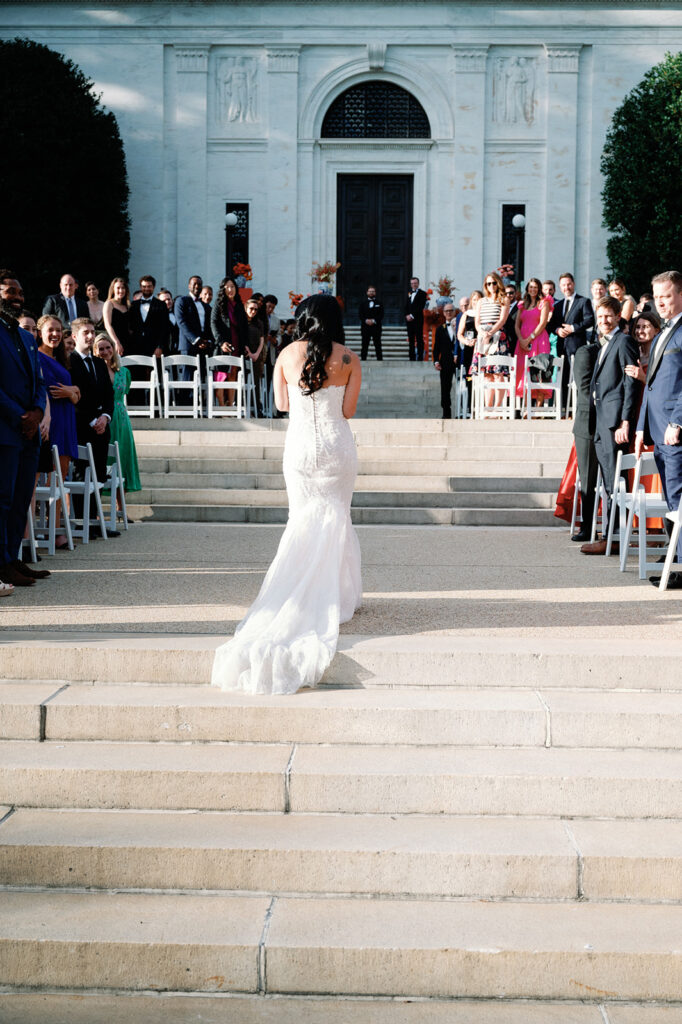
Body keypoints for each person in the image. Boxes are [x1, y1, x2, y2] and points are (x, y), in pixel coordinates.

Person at [211, 294, 362, 694]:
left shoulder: (285, 355)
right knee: (337, 517)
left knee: (302, 518)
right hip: (337, 448)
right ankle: (339, 596)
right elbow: (347, 412)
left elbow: (280, 404)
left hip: (299, 449)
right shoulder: (348, 359)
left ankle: (294, 592)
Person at [0, 270, 48, 591]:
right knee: (2, 499)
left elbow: (40, 382)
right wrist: (20, 415)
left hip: (28, 434)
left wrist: (37, 411)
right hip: (5, 429)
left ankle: (13, 557)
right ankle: (1, 564)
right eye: (10, 292)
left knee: (21, 499)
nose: (18, 297)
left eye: (20, 293)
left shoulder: (28, 338)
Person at [580, 296, 639, 555]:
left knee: (616, 482)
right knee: (608, 482)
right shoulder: (602, 344)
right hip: (601, 422)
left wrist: (625, 421)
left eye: (608, 316)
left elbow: (630, 384)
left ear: (617, 317)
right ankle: (611, 535)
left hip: (615, 424)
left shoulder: (623, 341)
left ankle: (613, 538)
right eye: (600, 315)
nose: (603, 320)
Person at [635, 270, 682, 588]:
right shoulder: (665, 331)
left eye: (667, 296)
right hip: (656, 430)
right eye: (657, 297)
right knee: (672, 499)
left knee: (678, 499)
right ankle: (676, 562)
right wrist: (640, 428)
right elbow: (650, 386)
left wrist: (678, 421)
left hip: (674, 430)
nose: (661, 303)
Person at [68, 318, 117, 536]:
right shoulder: (69, 362)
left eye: (91, 332)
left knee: (98, 475)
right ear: (74, 336)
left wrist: (105, 417)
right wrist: (91, 420)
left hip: (101, 428)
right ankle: (81, 522)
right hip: (81, 426)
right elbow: (75, 398)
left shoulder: (98, 363)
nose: (90, 336)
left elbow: (109, 395)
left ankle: (95, 522)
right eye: (85, 333)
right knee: (81, 474)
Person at [37, 314, 80, 548]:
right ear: (40, 332)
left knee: (60, 478)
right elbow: (53, 390)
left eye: (58, 330)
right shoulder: (38, 358)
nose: (55, 334)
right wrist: (72, 392)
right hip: (52, 421)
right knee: (50, 478)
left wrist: (73, 391)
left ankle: (57, 529)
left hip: (66, 421)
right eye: (50, 330)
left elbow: (74, 394)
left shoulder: (61, 359)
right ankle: (48, 530)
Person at [93, 333, 141, 497]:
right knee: (103, 459)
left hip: (121, 418)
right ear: (95, 351)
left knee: (123, 458)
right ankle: (98, 509)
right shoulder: (94, 371)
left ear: (113, 349)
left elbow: (124, 391)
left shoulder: (124, 372)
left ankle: (121, 507)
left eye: (108, 348)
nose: (105, 351)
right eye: (101, 348)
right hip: (102, 417)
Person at [548, 273, 595, 416]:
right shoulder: (558, 305)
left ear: (573, 284)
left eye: (568, 284)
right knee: (562, 379)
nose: (566, 287)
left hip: (577, 347)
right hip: (562, 347)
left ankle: (578, 410)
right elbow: (551, 325)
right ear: (560, 287)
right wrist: (557, 330)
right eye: (563, 285)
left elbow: (589, 320)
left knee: (578, 379)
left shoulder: (583, 301)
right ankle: (563, 410)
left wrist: (573, 328)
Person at [474, 271, 511, 411]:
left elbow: (502, 320)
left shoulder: (504, 299)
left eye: (494, 283)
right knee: (487, 375)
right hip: (483, 338)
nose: (491, 286)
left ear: (498, 283)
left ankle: (498, 408)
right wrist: (482, 333)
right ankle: (488, 409)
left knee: (498, 373)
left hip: (497, 338)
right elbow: (477, 321)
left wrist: (490, 333)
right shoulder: (481, 301)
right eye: (488, 283)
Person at [210, 276, 248, 406]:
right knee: (220, 377)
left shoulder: (239, 305)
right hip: (223, 345)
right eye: (227, 288)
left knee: (233, 376)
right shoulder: (218, 304)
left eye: (232, 287)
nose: (230, 290)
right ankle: (221, 408)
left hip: (237, 344)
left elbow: (244, 327)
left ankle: (230, 406)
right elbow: (213, 323)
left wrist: (246, 345)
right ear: (223, 290)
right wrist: (221, 342)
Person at [515, 277, 553, 403]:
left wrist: (529, 339)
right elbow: (517, 325)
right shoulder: (522, 305)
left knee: (539, 371)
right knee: (524, 371)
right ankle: (527, 407)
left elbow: (543, 323)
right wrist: (522, 340)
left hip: (539, 339)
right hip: (523, 341)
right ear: (527, 288)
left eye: (535, 287)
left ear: (539, 289)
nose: (533, 289)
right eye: (531, 287)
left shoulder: (544, 302)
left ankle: (538, 408)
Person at [175, 276, 214, 394]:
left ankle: (200, 410)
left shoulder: (206, 306)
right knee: (187, 381)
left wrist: (208, 341)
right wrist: (196, 340)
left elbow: (209, 326)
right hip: (188, 346)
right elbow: (182, 322)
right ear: (189, 286)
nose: (197, 286)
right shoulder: (182, 301)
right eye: (194, 284)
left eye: (199, 284)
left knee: (201, 380)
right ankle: (184, 410)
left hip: (204, 348)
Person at [128, 275, 170, 361]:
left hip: (154, 347)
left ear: (153, 287)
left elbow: (165, 328)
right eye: (144, 286)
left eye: (149, 286)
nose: (146, 288)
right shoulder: (133, 305)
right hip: (136, 346)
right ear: (140, 287)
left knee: (156, 372)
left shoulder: (161, 305)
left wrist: (160, 347)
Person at [432, 301, 460, 419]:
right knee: (445, 388)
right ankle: (446, 413)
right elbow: (436, 347)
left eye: (451, 310)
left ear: (454, 312)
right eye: (446, 311)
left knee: (462, 387)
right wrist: (436, 361)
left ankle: (463, 411)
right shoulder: (440, 329)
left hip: (459, 361)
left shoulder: (461, 326)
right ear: (443, 313)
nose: (449, 313)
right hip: (445, 362)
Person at [457, 289, 482, 416]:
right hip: (469, 349)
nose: (476, 302)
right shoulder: (467, 314)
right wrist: (466, 341)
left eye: (478, 299)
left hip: (481, 349)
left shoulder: (484, 313)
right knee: (469, 378)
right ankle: (469, 407)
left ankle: (480, 406)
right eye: (474, 299)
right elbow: (459, 334)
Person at [244, 297, 265, 415]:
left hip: (256, 356)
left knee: (256, 383)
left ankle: (257, 408)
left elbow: (262, 340)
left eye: (256, 310)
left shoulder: (259, 323)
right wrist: (248, 352)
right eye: (251, 309)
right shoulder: (242, 321)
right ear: (246, 308)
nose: (253, 311)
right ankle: (243, 406)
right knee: (244, 381)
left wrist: (256, 354)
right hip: (245, 354)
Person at [102, 277, 131, 357]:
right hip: (115, 341)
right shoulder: (109, 304)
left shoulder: (127, 306)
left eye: (123, 288)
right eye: (118, 288)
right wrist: (116, 342)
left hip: (128, 342)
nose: (121, 291)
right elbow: (107, 325)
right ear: (113, 289)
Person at [359, 285, 383, 361]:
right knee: (364, 345)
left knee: (378, 345)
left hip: (376, 327)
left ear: (375, 293)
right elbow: (360, 314)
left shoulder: (379, 303)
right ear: (367, 292)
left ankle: (380, 360)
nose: (371, 293)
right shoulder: (363, 303)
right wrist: (366, 320)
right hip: (365, 327)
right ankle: (363, 360)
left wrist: (373, 321)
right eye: (370, 291)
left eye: (373, 291)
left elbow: (381, 314)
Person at [405, 276, 427, 361]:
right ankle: (411, 357)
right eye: (412, 283)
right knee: (410, 339)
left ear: (418, 283)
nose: (414, 285)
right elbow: (406, 306)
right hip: (409, 321)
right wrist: (406, 315)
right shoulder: (409, 293)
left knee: (419, 338)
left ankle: (420, 357)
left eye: (415, 283)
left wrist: (412, 315)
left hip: (417, 319)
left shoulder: (423, 294)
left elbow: (420, 306)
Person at [158, 288, 179, 353]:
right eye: (164, 300)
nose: (167, 302)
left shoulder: (178, 314)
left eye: (168, 299)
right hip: (163, 351)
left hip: (179, 351)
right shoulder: (156, 317)